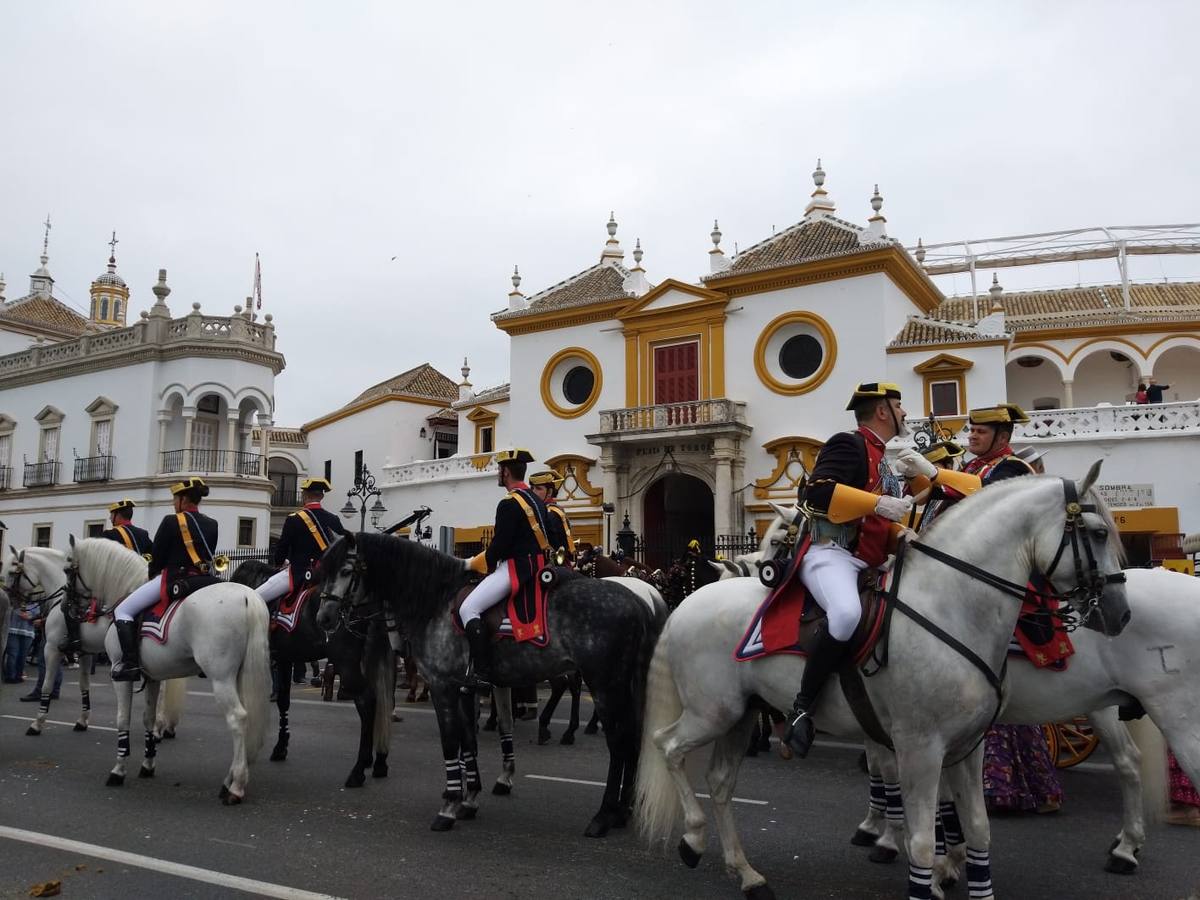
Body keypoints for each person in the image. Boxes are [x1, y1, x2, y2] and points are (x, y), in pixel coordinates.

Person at [896, 403, 1062, 814]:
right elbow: (933, 496)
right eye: (970, 428)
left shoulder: (1012, 472)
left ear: (1002, 436)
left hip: (1000, 579)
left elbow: (985, 502)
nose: (971, 435)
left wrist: (936, 475)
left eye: (980, 431)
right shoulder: (971, 468)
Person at [782, 382, 914, 758]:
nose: (904, 413)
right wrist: (878, 503)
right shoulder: (848, 443)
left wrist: (899, 534)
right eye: (899, 405)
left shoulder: (883, 457)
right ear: (883, 411)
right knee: (845, 615)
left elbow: (876, 521)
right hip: (832, 553)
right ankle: (802, 707)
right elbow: (818, 492)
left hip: (869, 560)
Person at [110, 478, 218, 682]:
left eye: (175, 499)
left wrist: (152, 573)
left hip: (175, 579)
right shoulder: (212, 524)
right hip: (204, 579)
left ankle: (131, 663)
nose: (173, 503)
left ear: (183, 499)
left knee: (122, 610)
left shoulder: (171, 521)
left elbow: (157, 558)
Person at [460, 449, 552, 687]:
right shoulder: (536, 500)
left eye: (499, 470)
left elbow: (500, 545)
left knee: (468, 608)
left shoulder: (509, 503)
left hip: (516, 568)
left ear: (506, 472)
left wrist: (476, 564)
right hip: (538, 566)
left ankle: (481, 671)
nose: (498, 474)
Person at [59, 498, 154, 654]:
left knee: (70, 603)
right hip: (141, 582)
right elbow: (151, 557)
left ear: (118, 516)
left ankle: (74, 640)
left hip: (114, 585)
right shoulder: (142, 534)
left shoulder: (109, 535)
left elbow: (98, 563)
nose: (110, 518)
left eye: (112, 515)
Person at [257, 477, 345, 607]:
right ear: (321, 496)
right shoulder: (334, 519)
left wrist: (280, 562)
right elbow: (341, 547)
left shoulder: (294, 519)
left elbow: (282, 548)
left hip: (299, 574)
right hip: (327, 575)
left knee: (255, 597)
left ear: (305, 495)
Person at [529, 471, 573, 563]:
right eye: (532, 488)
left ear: (549, 492)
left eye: (538, 488)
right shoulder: (553, 509)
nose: (533, 492)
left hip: (552, 565)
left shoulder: (549, 513)